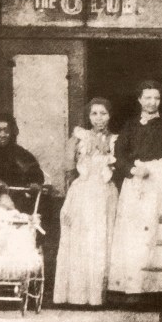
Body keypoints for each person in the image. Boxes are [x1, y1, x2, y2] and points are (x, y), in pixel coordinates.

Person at [108, 81, 162, 297]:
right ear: (140, 100)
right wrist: (133, 170)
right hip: (139, 183)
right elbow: (118, 156)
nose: (152, 102)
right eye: (148, 98)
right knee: (137, 234)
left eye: (156, 98)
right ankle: (137, 288)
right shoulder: (131, 125)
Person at [53, 98, 119, 306]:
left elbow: (120, 166)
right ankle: (77, 295)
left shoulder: (116, 139)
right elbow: (68, 166)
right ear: (88, 116)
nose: (99, 118)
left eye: (103, 113)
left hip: (105, 193)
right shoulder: (80, 137)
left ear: (110, 115)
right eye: (94, 114)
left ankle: (100, 296)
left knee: (102, 238)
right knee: (81, 239)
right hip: (82, 193)